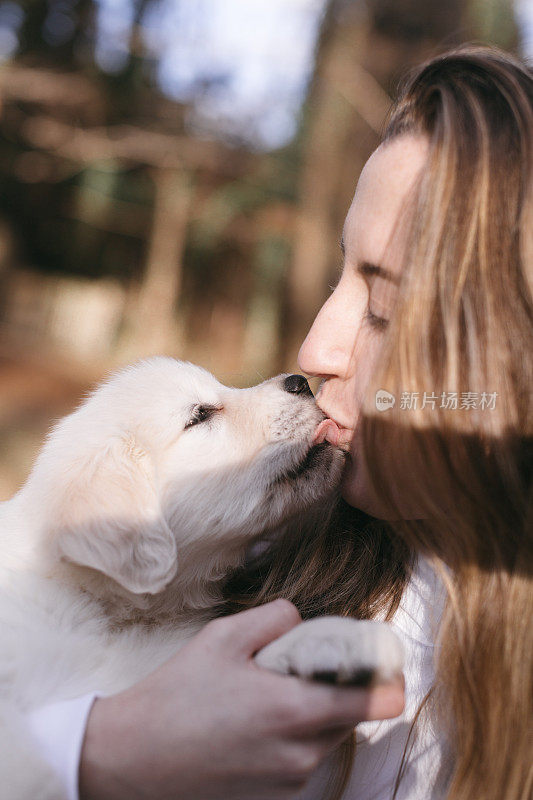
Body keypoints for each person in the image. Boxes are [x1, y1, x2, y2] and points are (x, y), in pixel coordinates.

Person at [26, 43, 532, 800]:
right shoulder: (244, 561)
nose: (314, 348)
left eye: (385, 311)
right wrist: (96, 750)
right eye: (342, 275)